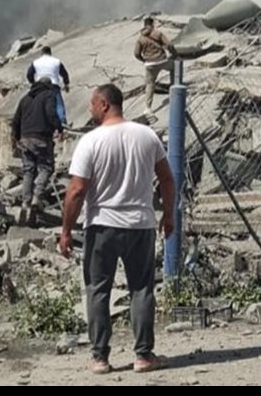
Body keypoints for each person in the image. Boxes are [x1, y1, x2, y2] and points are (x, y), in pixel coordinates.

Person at [59, 84, 176, 375]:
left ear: (104, 105)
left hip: (102, 227)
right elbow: (167, 179)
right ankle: (143, 356)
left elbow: (76, 190)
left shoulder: (90, 141)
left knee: (98, 290)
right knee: (142, 289)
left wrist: (65, 231)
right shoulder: (146, 136)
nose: (89, 109)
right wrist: (169, 215)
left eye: (91, 104)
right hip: (140, 225)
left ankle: (100, 358)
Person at [10, 78, 64, 224]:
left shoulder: (25, 98)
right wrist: (59, 128)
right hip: (41, 138)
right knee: (46, 168)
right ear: (48, 86)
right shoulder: (48, 95)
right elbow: (51, 114)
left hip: (25, 139)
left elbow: (15, 120)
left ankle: (25, 204)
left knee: (28, 171)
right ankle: (36, 199)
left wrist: (16, 138)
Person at [133, 17, 176, 114]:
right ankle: (174, 91)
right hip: (162, 60)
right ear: (152, 24)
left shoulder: (140, 38)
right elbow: (169, 45)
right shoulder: (158, 33)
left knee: (150, 84)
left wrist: (143, 59)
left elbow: (136, 53)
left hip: (150, 64)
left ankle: (148, 108)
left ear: (144, 25)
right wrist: (174, 54)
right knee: (174, 68)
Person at [27, 46, 71, 127]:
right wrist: (66, 84)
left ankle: (40, 123)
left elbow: (29, 74)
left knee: (39, 104)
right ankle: (62, 121)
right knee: (58, 104)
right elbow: (64, 74)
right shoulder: (56, 61)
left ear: (42, 53)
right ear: (50, 53)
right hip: (53, 85)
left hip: (40, 86)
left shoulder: (36, 62)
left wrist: (33, 83)